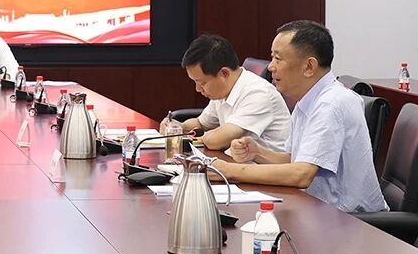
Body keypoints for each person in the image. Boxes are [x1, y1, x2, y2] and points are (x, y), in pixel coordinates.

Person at [215, 21, 388, 213]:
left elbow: (301, 174)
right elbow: (294, 160)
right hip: (318, 211)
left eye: (278, 59)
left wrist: (229, 171)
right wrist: (257, 153)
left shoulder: (331, 104)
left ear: (309, 66)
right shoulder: (307, 100)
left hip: (351, 220)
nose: (271, 67)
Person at [166, 34, 290, 155]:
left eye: (202, 83)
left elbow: (216, 141)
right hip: (237, 163)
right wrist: (177, 127)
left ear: (224, 73)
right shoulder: (222, 92)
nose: (198, 89)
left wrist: (202, 137)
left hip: (262, 167)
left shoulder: (258, 94)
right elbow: (201, 123)